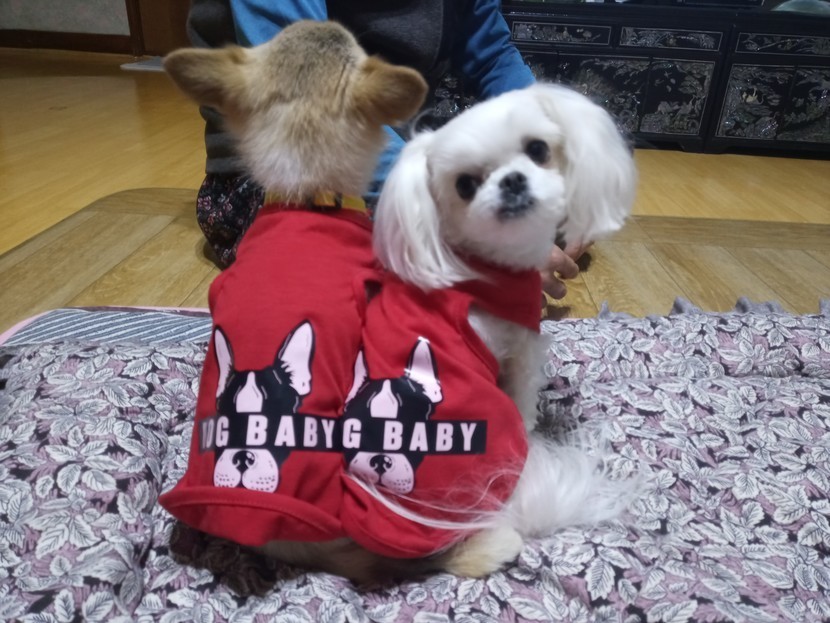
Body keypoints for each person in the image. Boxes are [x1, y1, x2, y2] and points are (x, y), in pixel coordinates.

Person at [185, 0, 585, 296]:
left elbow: (492, 57)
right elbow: (311, 107)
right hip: (283, 174)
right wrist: (468, 233)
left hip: (396, 144)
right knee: (339, 266)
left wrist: (558, 157)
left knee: (543, 209)